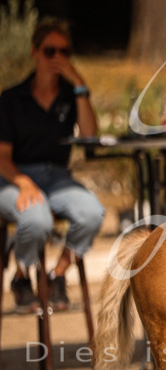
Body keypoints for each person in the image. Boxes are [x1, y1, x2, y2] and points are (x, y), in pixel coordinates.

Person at [0, 19, 105, 313]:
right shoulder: (11, 99)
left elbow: (89, 137)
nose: (57, 58)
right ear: (35, 52)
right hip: (13, 178)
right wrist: (22, 182)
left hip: (58, 178)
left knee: (91, 213)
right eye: (50, 51)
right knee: (37, 221)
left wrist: (81, 86)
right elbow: (2, 157)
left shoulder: (71, 97)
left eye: (64, 52)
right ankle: (21, 278)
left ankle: (56, 275)